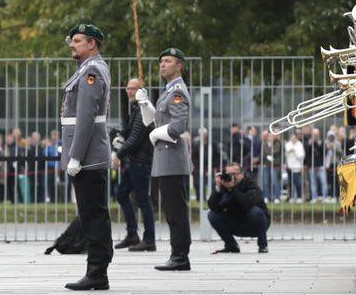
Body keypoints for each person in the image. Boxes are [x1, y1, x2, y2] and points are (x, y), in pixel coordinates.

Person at [59, 23, 112, 290]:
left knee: (93, 213)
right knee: (91, 211)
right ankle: (97, 271)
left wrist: (76, 156)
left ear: (92, 43)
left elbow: (86, 117)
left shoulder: (91, 70)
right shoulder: (87, 69)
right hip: (87, 154)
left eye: (78, 41)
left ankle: (97, 272)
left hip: (88, 155)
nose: (72, 45)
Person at [139, 46, 193, 271]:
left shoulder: (177, 91)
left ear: (179, 65)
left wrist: (154, 134)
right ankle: (176, 254)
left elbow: (178, 127)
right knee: (171, 210)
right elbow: (155, 121)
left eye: (168, 61)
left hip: (173, 159)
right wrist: (145, 104)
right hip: (164, 160)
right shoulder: (168, 90)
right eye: (161, 61)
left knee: (176, 211)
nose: (162, 64)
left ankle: (180, 256)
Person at [112, 77, 156, 251]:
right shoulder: (135, 109)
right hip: (134, 161)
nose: (129, 91)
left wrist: (119, 155)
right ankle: (132, 234)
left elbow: (136, 138)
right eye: (128, 88)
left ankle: (150, 240)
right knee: (122, 194)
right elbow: (130, 132)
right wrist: (119, 135)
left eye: (134, 88)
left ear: (140, 91)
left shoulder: (144, 109)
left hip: (141, 161)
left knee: (143, 200)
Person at [206, 161, 270, 254]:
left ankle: (263, 245)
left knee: (256, 212)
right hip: (235, 223)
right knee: (212, 215)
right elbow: (213, 207)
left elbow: (247, 203)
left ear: (241, 174)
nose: (231, 177)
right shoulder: (223, 186)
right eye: (228, 174)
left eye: (234, 174)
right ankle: (231, 246)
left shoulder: (251, 184)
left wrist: (232, 189)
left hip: (255, 225)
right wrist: (218, 188)